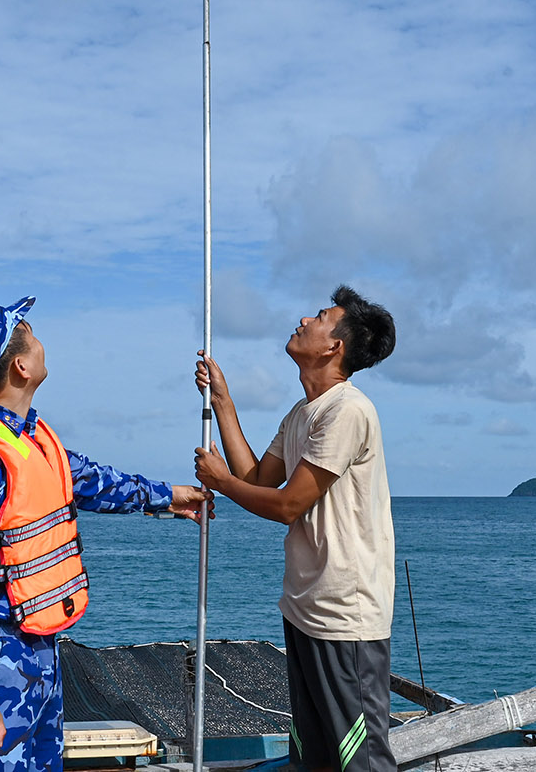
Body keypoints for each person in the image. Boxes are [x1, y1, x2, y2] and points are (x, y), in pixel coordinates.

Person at [0, 295, 208, 772]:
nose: (41, 339)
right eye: (30, 332)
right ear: (21, 366)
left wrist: (168, 496)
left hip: (35, 653)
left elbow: (88, 479)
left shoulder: (25, 438)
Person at [193, 285, 398, 772]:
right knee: (315, 756)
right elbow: (257, 479)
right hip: (306, 608)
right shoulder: (303, 413)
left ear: (334, 346)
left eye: (320, 317)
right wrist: (222, 401)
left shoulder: (347, 410)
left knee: (362, 760)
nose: (305, 320)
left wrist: (221, 482)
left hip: (345, 616)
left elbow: (288, 504)